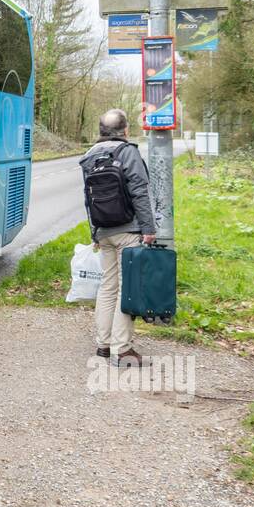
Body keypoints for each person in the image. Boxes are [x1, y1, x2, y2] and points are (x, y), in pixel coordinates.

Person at [79, 109, 156, 367]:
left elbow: (88, 200)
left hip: (104, 231)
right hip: (128, 231)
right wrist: (148, 228)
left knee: (107, 287)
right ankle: (122, 350)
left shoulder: (90, 156)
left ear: (101, 131)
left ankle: (103, 345)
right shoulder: (128, 152)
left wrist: (95, 234)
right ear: (125, 131)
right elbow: (140, 192)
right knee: (126, 289)